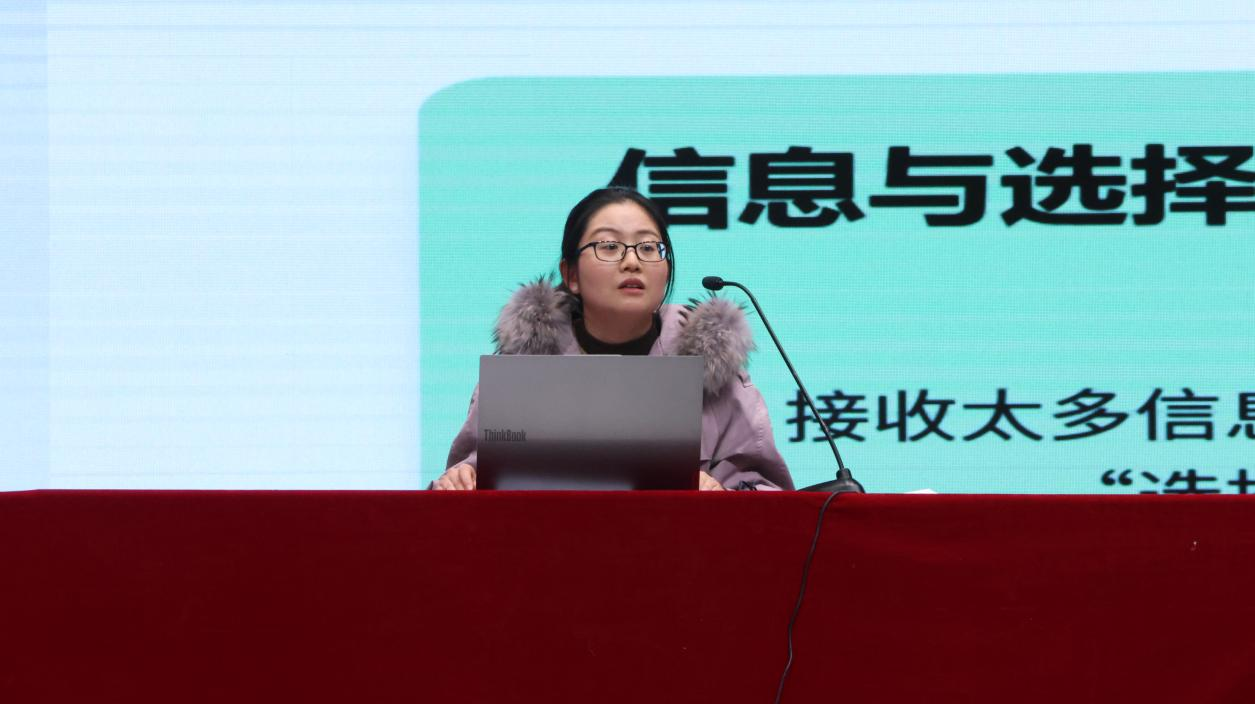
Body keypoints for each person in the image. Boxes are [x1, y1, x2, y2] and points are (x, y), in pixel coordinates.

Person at [432, 186, 793, 491]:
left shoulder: (714, 374)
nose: (632, 262)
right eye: (608, 246)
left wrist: (720, 496)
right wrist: (460, 481)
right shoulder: (520, 370)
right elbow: (472, 478)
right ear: (570, 274)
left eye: (648, 247)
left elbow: (769, 499)